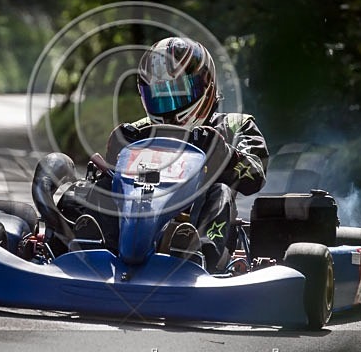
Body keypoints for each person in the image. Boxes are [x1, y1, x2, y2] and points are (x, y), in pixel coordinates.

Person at [73, 36, 269, 271]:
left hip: (199, 215)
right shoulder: (139, 130)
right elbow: (119, 176)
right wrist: (114, 159)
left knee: (220, 191)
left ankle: (199, 253)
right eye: (159, 94)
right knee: (102, 183)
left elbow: (255, 176)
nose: (168, 104)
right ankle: (95, 247)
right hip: (141, 207)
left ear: (205, 85)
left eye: (176, 91)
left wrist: (225, 156)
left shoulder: (235, 125)